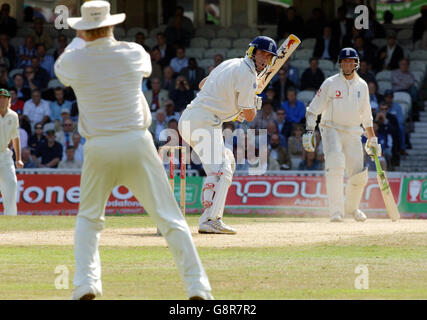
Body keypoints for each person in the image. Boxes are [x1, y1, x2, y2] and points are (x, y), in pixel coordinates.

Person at [54, 0, 212, 300]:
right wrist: (89, 34)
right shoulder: (134, 52)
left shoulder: (75, 59)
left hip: (99, 146)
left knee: (88, 219)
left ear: (85, 31)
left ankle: (86, 283)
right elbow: (140, 66)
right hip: (136, 141)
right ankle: (198, 288)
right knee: (170, 218)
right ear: (112, 25)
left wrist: (79, 35)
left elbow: (62, 64)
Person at [178, 36, 275, 234]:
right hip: (204, 122)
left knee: (226, 162)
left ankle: (208, 216)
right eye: (261, 53)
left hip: (191, 119)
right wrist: (254, 103)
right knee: (223, 168)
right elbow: (248, 115)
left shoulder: (230, 62)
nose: (264, 59)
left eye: (269, 56)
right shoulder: (248, 76)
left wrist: (234, 105)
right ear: (252, 51)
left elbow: (203, 85)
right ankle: (212, 219)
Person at [302, 48, 381, 222]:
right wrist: (309, 130)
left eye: (350, 61)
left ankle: (352, 209)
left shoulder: (363, 86)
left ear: (356, 63)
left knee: (359, 174)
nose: (347, 64)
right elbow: (313, 109)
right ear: (340, 63)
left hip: (353, 132)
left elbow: (367, 117)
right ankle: (336, 212)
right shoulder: (330, 83)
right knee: (335, 164)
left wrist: (372, 139)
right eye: (344, 61)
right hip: (331, 129)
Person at [0, 88, 23, 215]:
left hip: (5, 155)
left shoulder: (13, 116)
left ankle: (11, 220)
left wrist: (18, 158)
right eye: (0, 98)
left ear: (9, 100)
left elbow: (16, 137)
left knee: (11, 185)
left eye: (4, 98)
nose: (2, 101)